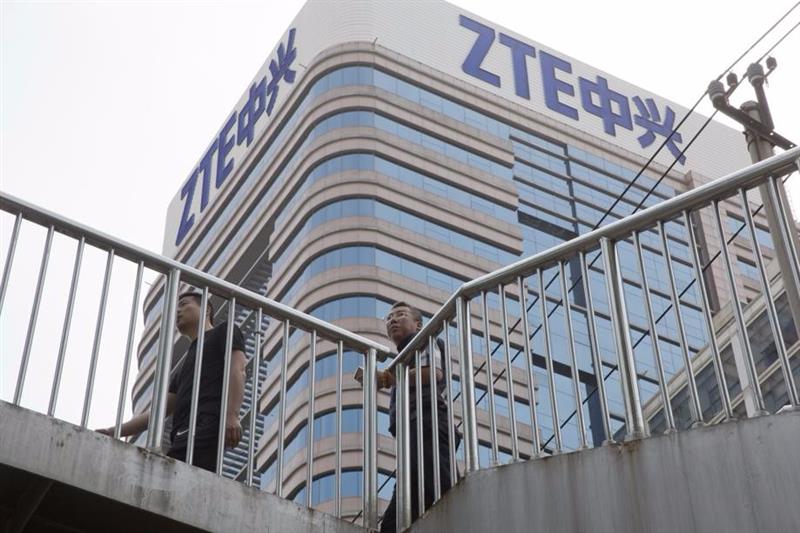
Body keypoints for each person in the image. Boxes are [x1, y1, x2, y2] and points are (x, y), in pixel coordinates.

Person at [98, 290, 247, 472]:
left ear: (206, 309)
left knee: (167, 475)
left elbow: (238, 370)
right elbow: (159, 412)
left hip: (207, 424)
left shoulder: (225, 331)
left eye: (183, 305)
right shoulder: (184, 365)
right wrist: (114, 431)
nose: (177, 311)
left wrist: (232, 415)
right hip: (182, 434)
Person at [375, 301, 458, 532]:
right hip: (411, 434)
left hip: (427, 422)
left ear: (418, 324)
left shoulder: (425, 340)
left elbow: (433, 373)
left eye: (400, 315)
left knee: (444, 487)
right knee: (394, 520)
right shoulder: (403, 359)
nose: (392, 320)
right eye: (389, 318)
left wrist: (389, 379)